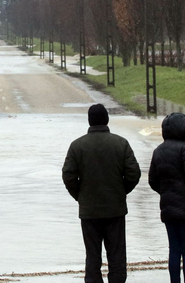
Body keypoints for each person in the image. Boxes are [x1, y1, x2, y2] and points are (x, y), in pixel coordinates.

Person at [62, 103, 141, 283]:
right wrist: (121, 191)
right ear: (107, 119)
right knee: (117, 256)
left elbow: (68, 176)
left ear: (89, 121)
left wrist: (81, 196)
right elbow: (134, 173)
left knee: (92, 256)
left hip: (89, 211)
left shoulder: (76, 146)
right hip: (115, 209)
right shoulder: (121, 143)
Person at [148, 113, 185, 283]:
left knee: (174, 249)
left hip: (169, 207)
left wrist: (166, 192)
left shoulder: (158, 150)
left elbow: (152, 180)